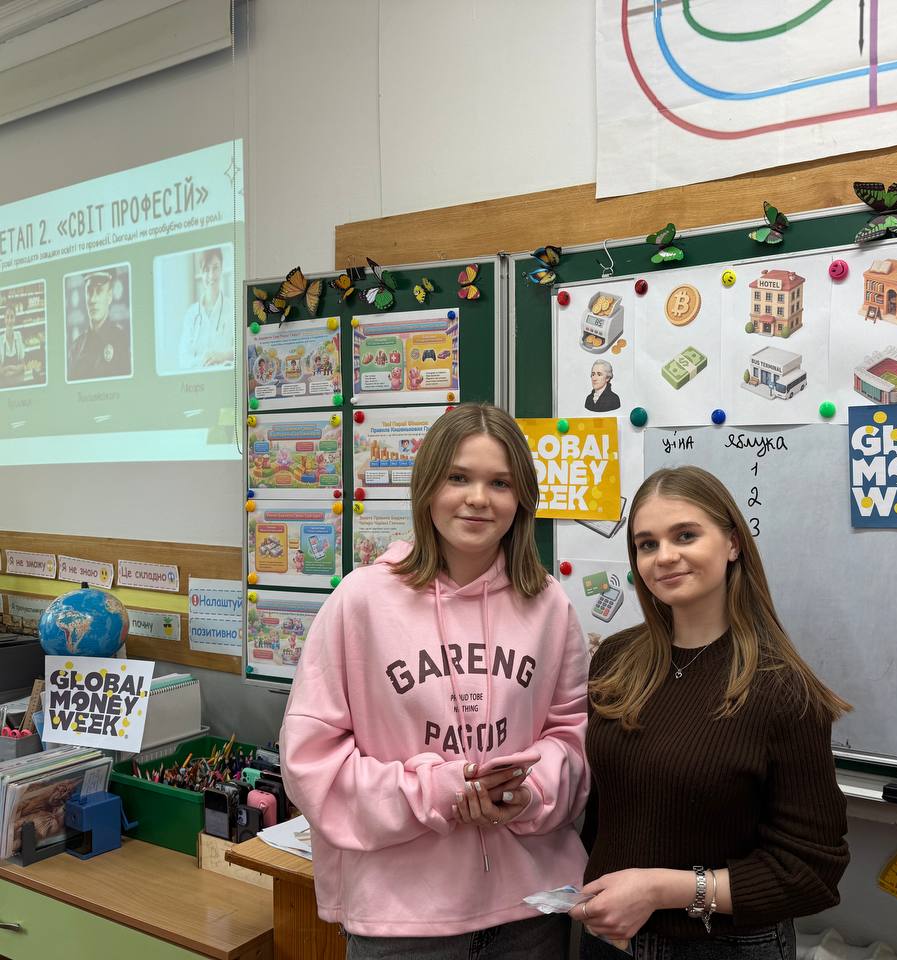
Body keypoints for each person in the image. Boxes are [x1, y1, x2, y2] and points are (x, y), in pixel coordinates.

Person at [280, 403, 590, 960]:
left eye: (500, 483)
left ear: (521, 498)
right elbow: (312, 762)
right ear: (427, 488)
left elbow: (573, 740)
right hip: (401, 923)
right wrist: (436, 792)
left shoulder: (550, 605)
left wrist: (528, 793)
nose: (479, 498)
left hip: (530, 912)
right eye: (458, 478)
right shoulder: (360, 601)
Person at [578, 465, 851, 959]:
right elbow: (606, 812)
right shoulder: (615, 660)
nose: (665, 556)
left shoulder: (781, 688)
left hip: (722, 946)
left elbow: (810, 873)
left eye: (685, 535)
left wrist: (661, 889)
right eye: (647, 544)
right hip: (609, 936)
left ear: (732, 544)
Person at [176, 247, 233, 370]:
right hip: (198, 380)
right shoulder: (191, 314)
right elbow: (183, 359)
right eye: (206, 270)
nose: (211, 275)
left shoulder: (233, 309)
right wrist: (204, 360)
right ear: (201, 273)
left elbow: (241, 350)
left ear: (222, 269)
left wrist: (223, 356)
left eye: (215, 268)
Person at [67, 270, 130, 381]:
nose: (93, 299)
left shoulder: (121, 341)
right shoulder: (76, 348)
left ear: (109, 296)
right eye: (89, 291)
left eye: (99, 291)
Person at [0, 304, 26, 387]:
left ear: (15, 319)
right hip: (4, 384)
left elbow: (23, 365)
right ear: (4, 319)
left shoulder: (19, 336)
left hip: (18, 381)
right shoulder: (0, 340)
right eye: (7, 317)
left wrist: (9, 370)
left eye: (12, 317)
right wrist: (16, 368)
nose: (9, 320)